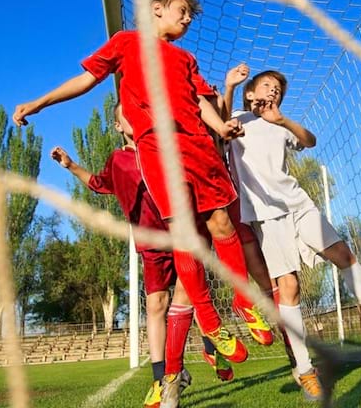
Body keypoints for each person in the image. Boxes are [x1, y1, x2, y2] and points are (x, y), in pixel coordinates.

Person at [12, 0, 273, 357]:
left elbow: (199, 101)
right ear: (156, 9)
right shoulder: (125, 43)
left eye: (189, 16)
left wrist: (220, 126)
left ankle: (242, 301)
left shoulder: (186, 59)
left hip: (198, 145)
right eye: (181, 11)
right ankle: (210, 321)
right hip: (159, 150)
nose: (186, 19)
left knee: (222, 224)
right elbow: (85, 79)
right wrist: (39, 102)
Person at [226, 70, 361, 401]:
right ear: (250, 92)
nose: (274, 92)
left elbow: (309, 141)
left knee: (344, 255)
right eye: (268, 86)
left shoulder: (280, 124)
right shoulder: (236, 119)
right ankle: (303, 368)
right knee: (290, 286)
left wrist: (282, 120)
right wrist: (230, 87)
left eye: (279, 90)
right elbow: (220, 120)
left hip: (299, 204)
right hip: (267, 215)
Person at [51, 103, 231, 408]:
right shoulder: (119, 161)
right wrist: (70, 165)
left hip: (185, 236)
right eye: (127, 115)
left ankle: (208, 349)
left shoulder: (168, 149)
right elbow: (98, 184)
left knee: (192, 297)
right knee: (156, 305)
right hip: (151, 244)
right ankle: (162, 379)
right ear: (119, 126)